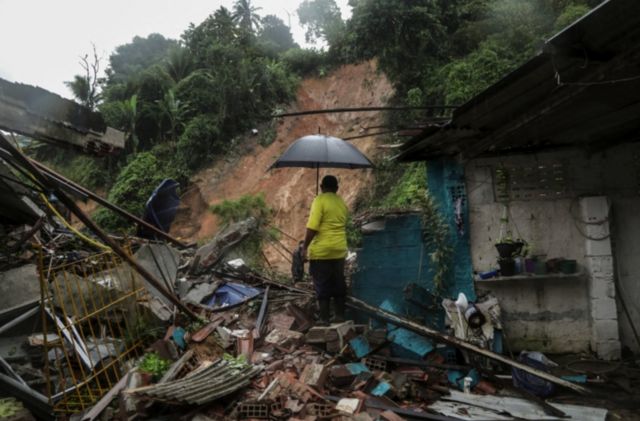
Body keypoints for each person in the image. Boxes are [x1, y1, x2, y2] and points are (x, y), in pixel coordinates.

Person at [302, 175, 348, 326]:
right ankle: (340, 315)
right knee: (338, 282)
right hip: (339, 249)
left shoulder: (319, 200)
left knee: (322, 283)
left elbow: (312, 226)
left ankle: (324, 319)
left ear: (321, 187)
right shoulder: (341, 202)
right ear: (336, 188)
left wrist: (304, 247)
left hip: (322, 251)